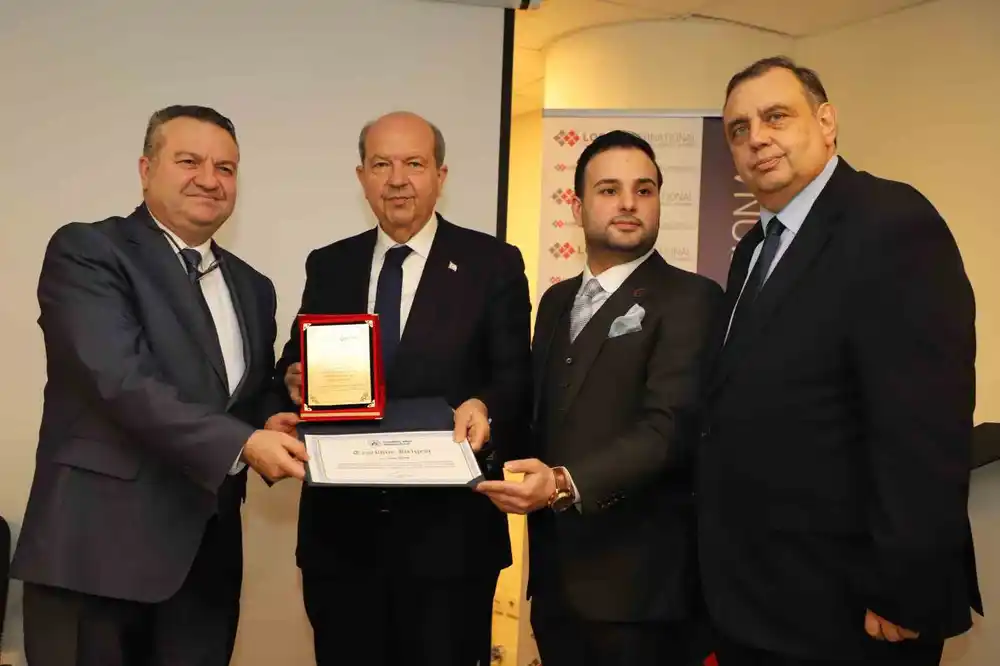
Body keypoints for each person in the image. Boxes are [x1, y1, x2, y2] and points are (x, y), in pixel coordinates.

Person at [697, 56, 982, 666]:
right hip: (760, 600)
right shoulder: (753, 248)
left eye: (776, 116)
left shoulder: (892, 223)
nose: (756, 138)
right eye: (739, 129)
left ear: (826, 122)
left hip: (853, 610)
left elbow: (924, 429)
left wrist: (905, 586)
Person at [11, 105, 308, 666]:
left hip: (206, 562)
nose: (209, 179)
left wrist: (270, 416)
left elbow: (236, 400)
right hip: (97, 554)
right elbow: (120, 380)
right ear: (146, 170)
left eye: (225, 168)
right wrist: (245, 443)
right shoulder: (89, 251)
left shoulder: (253, 287)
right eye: (189, 161)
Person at [274, 110, 532, 666]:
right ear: (361, 177)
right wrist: (294, 378)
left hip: (450, 544)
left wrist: (485, 405)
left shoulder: (493, 263)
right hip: (341, 542)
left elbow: (516, 377)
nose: (397, 180)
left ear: (441, 175)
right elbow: (294, 361)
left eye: (414, 164)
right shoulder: (330, 264)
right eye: (381, 165)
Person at [476, 130, 722, 666]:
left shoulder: (693, 298)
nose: (629, 203)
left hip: (644, 594)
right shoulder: (556, 300)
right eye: (609, 189)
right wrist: (484, 416)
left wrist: (564, 483)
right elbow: (542, 417)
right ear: (577, 206)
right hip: (556, 585)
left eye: (644, 190)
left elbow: (669, 428)